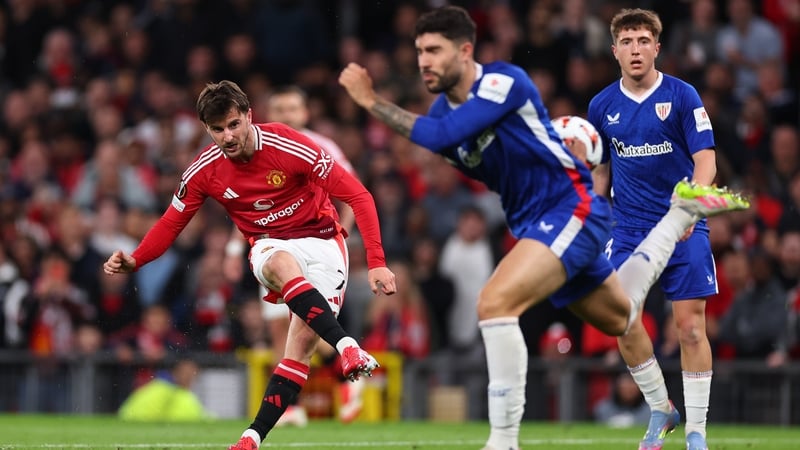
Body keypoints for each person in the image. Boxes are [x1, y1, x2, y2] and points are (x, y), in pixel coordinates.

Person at [339, 6, 748, 450]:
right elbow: (455, 146)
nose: (424, 62)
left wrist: (370, 101)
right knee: (623, 317)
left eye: (434, 50)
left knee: (495, 302)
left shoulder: (501, 82)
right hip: (549, 220)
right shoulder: (445, 111)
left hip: (568, 208)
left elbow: (440, 137)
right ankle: (662, 404)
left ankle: (504, 441)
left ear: (464, 50)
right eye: (419, 51)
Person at [102, 80, 396, 450]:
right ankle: (348, 347)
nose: (227, 136)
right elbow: (171, 221)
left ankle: (251, 437)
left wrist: (376, 262)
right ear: (207, 130)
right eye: (217, 129)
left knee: (300, 349)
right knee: (282, 266)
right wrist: (137, 258)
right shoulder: (203, 170)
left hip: (323, 243)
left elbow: (358, 195)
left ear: (249, 117)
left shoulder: (292, 145)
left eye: (233, 125)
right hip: (269, 245)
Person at [586, 8, 726, 450]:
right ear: (614, 51)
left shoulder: (683, 96)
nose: (635, 49)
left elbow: (706, 160)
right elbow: (599, 172)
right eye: (626, 42)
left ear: (657, 47)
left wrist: (690, 205)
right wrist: (590, 216)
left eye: (643, 40)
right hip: (627, 230)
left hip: (682, 227)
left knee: (689, 328)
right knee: (619, 318)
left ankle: (697, 430)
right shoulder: (601, 105)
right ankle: (661, 407)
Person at [221, 84, 361, 426]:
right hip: (272, 248)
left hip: (313, 246)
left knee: (305, 327)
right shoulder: (256, 150)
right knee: (275, 329)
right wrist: (232, 249)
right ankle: (292, 408)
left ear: (305, 112)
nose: (287, 115)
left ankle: (345, 377)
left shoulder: (321, 146)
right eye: (280, 109)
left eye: (292, 109)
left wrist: (340, 235)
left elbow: (352, 192)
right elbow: (244, 207)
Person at [118, 358, 211, 422]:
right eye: (185, 372)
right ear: (175, 372)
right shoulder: (160, 389)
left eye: (192, 373)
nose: (188, 377)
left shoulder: (182, 394)